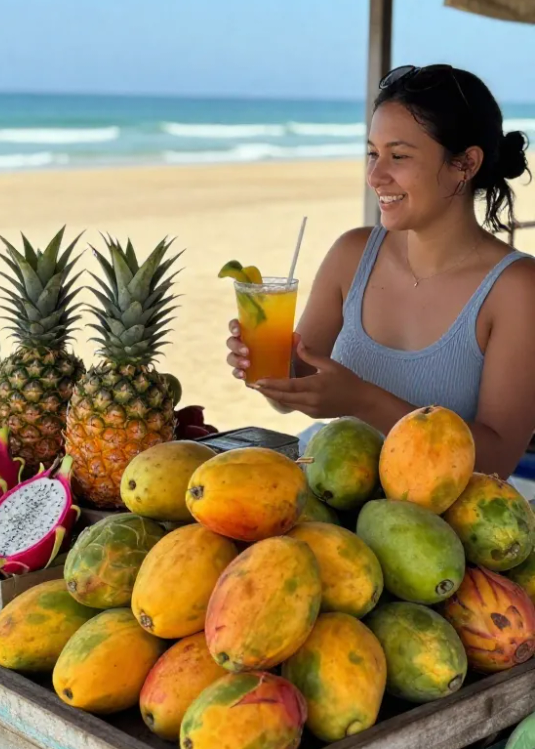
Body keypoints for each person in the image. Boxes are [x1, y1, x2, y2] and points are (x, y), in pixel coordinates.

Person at [226, 64, 535, 479]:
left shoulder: (517, 289)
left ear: (465, 164)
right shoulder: (351, 255)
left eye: (399, 156)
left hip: (438, 531)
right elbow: (295, 391)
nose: (375, 175)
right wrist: (267, 371)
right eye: (372, 153)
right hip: (334, 498)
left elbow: (497, 461)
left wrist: (361, 401)